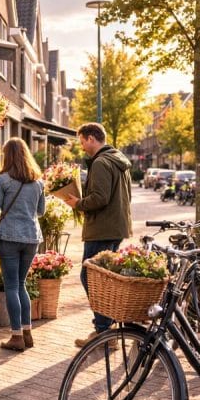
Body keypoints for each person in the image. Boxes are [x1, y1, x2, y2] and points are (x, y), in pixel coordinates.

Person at [64, 122, 133, 347]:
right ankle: (107, 328)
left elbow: (100, 197)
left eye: (82, 141)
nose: (82, 146)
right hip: (115, 227)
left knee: (91, 278)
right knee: (104, 279)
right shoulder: (118, 160)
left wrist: (78, 203)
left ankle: (104, 331)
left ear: (92, 138)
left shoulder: (102, 162)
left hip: (102, 229)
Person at [0, 138, 46, 352]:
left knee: (11, 286)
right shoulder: (37, 181)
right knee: (21, 285)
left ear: (7, 156)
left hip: (9, 237)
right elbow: (41, 211)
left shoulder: (4, 179)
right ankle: (27, 333)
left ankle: (16, 336)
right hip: (32, 237)